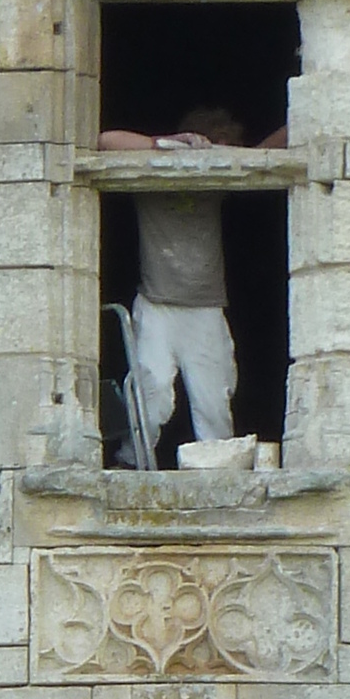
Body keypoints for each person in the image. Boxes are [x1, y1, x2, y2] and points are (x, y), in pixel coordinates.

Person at [95, 102, 275, 463]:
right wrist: (164, 144)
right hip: (157, 304)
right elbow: (105, 140)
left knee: (213, 401)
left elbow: (269, 154)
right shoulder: (152, 170)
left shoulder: (215, 180)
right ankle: (131, 461)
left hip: (205, 308)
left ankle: (215, 471)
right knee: (152, 393)